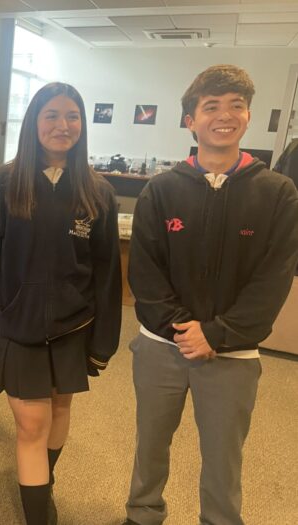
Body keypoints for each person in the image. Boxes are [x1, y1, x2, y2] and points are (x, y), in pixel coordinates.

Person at [123, 65, 298, 525]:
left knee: (224, 456)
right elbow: (144, 271)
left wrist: (216, 335)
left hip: (233, 353)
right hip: (161, 346)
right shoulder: (161, 190)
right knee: (151, 443)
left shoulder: (278, 193)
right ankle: (142, 514)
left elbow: (273, 279)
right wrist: (184, 330)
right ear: (191, 120)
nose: (226, 115)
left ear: (248, 115)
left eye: (236, 105)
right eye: (212, 106)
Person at [0, 82, 122, 525]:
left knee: (59, 410)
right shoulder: (4, 183)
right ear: (34, 123)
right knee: (31, 426)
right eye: (51, 115)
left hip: (74, 325)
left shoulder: (97, 191)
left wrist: (103, 341)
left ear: (82, 125)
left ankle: (43, 485)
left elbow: (108, 273)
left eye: (72, 116)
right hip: (20, 324)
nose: (62, 125)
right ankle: (40, 514)